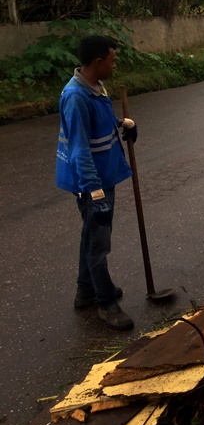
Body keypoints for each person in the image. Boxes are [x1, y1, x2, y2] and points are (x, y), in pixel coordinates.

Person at [56, 35, 137, 330]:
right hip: (91, 181)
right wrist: (96, 192)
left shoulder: (94, 88)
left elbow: (99, 124)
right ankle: (105, 302)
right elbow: (79, 150)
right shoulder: (75, 97)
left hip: (103, 175)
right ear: (98, 62)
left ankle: (85, 290)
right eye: (112, 60)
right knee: (98, 243)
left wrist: (122, 125)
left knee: (92, 235)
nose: (115, 65)